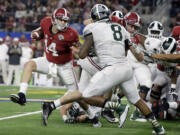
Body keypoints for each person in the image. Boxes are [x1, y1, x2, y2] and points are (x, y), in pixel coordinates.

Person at [41, 4, 165, 134]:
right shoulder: (120, 28)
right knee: (137, 101)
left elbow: (82, 54)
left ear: (94, 16)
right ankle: (158, 128)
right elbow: (139, 56)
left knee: (86, 95)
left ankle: (118, 107)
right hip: (126, 69)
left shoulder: (91, 27)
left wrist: (75, 49)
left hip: (111, 68)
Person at [10, 8, 79, 106]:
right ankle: (22, 95)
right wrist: (37, 34)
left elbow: (79, 49)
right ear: (54, 19)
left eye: (66, 20)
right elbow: (41, 31)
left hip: (64, 66)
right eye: (61, 19)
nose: (63, 22)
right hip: (49, 61)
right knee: (29, 64)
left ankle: (79, 110)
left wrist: (78, 52)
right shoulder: (46, 22)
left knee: (75, 93)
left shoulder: (71, 34)